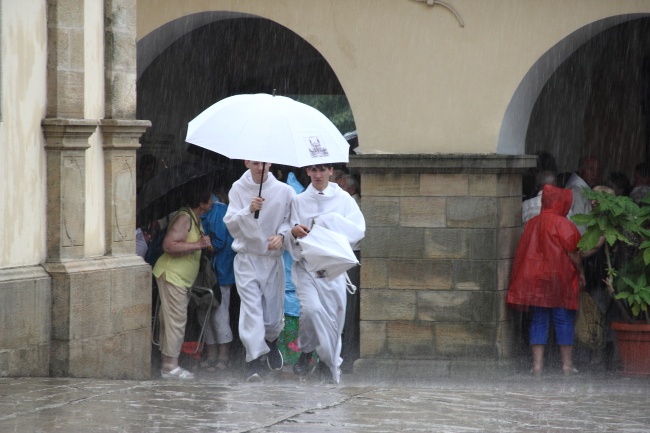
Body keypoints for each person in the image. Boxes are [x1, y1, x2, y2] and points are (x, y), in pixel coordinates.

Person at [288, 164, 365, 384]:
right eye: (313, 170)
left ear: (331, 171)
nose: (318, 174)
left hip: (332, 268)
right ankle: (307, 350)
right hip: (307, 265)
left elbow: (358, 230)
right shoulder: (299, 201)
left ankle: (326, 364)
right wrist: (293, 232)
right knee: (311, 311)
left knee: (333, 319)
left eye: (322, 169)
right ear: (308, 172)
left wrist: (328, 222)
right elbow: (288, 231)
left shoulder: (344, 200)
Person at [224, 161, 295, 382]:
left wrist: (282, 236)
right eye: (255, 163)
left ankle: (271, 343)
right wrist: (249, 210)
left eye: (264, 164)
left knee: (272, 316)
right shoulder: (238, 188)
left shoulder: (285, 191)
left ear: (270, 163)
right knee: (252, 310)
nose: (260, 168)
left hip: (272, 260)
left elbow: (290, 221)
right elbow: (231, 223)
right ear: (246, 162)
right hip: (247, 258)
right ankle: (253, 362)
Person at [506, 184, 586, 377]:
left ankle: (537, 366)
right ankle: (567, 365)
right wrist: (581, 271)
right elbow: (574, 253)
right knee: (563, 320)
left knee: (538, 320)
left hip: (536, 280)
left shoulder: (533, 223)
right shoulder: (565, 224)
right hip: (560, 279)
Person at [152, 185, 213, 380]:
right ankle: (170, 366)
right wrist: (198, 244)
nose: (213, 201)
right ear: (202, 203)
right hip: (173, 276)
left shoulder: (194, 218)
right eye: (209, 198)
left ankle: (167, 362)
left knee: (170, 320)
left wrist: (201, 244)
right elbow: (169, 245)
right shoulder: (185, 217)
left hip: (181, 278)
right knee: (176, 322)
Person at [199, 191, 237, 371]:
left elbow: (218, 243)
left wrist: (201, 242)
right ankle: (212, 354)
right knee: (205, 315)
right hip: (208, 272)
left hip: (220, 271)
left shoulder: (219, 211)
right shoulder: (206, 210)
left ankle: (224, 356)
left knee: (219, 315)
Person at [566, 156, 600, 234]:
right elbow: (578, 224)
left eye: (597, 169)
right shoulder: (577, 191)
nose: (594, 173)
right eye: (591, 169)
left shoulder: (584, 190)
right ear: (581, 170)